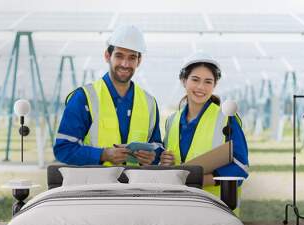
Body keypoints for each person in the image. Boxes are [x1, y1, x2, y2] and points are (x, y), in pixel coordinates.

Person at [54, 25, 163, 166]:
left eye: (132, 58)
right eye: (119, 56)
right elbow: (63, 149)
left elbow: (157, 147)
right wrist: (103, 154)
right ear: (107, 56)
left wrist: (153, 157)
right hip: (94, 185)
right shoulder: (84, 97)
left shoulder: (149, 102)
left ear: (139, 61)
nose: (125, 64)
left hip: (135, 186)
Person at [160, 52, 249, 215]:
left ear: (214, 85)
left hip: (216, 210)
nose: (201, 87)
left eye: (208, 82)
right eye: (195, 80)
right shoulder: (172, 120)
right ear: (183, 81)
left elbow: (241, 167)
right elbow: (172, 162)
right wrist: (165, 161)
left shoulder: (226, 118)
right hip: (179, 208)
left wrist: (201, 179)